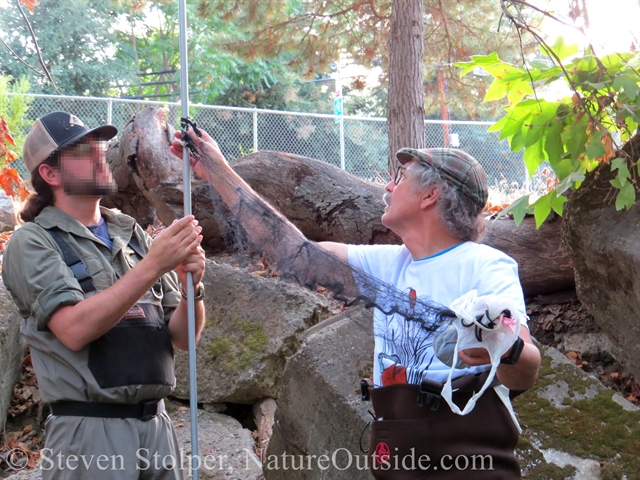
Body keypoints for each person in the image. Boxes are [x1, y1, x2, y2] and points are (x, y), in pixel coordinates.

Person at [170, 128, 541, 479]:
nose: (388, 185)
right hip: (397, 459)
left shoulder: (485, 265)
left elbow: (527, 369)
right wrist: (218, 170)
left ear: (430, 196)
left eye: (400, 175)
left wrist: (506, 351)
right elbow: (295, 255)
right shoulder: (387, 263)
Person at [3, 111, 206, 480]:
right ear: (50, 175)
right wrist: (153, 266)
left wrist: (193, 285)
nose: (99, 154)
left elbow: (182, 337)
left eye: (99, 145)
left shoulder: (131, 233)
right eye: (81, 151)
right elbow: (74, 329)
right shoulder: (33, 241)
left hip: (159, 429)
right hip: (90, 435)